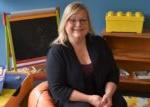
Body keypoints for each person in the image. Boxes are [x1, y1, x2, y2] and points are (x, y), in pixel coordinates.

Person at [46, 2, 127, 107]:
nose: (78, 24)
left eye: (83, 20)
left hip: (100, 94)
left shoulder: (100, 43)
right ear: (65, 23)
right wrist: (89, 99)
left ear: (88, 23)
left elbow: (113, 73)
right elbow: (57, 89)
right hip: (72, 99)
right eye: (73, 20)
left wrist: (108, 95)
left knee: (119, 102)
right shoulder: (56, 52)